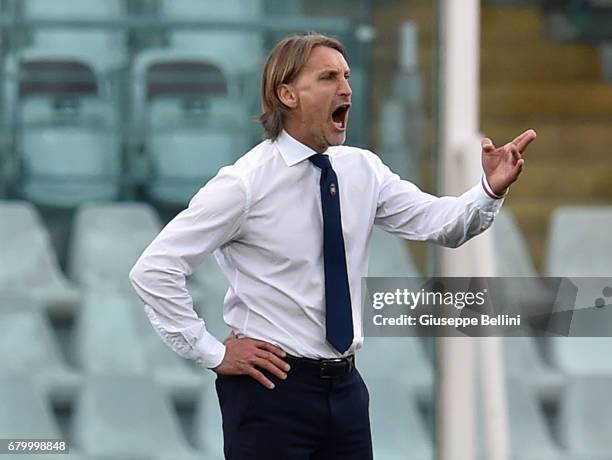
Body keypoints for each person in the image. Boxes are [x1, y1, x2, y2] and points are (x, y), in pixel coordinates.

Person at [129, 33, 536, 459]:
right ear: (286, 94)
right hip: (270, 392)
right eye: (328, 78)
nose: (346, 89)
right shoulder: (244, 183)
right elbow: (154, 270)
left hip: (346, 392)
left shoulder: (364, 169)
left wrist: (489, 188)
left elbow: (442, 225)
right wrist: (210, 352)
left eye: (346, 76)